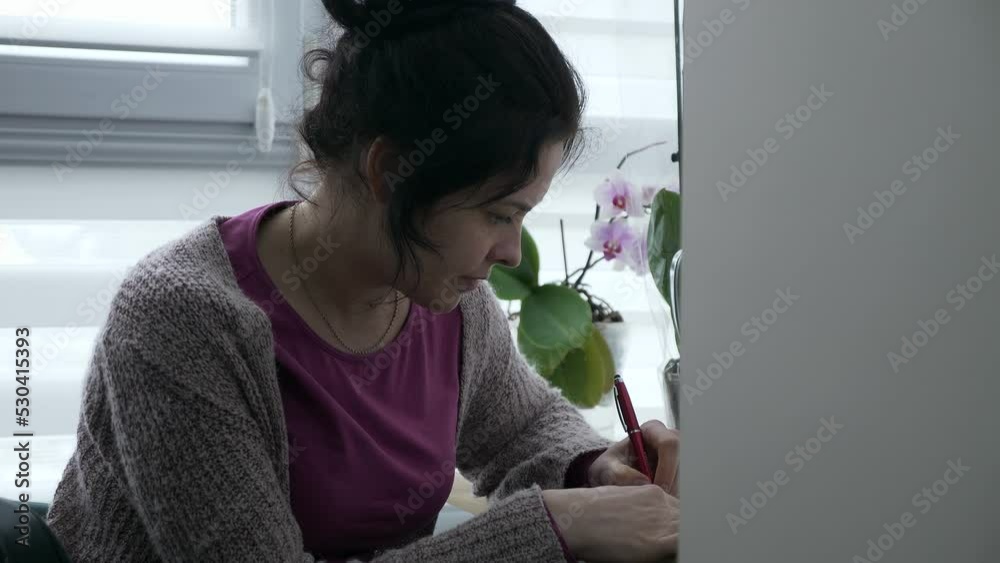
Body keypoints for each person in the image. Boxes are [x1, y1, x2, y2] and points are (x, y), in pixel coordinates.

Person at [46, 0, 679, 561]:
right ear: (390, 170)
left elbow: (523, 429)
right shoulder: (182, 320)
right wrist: (550, 530)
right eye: (497, 213)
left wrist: (597, 469)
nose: (512, 252)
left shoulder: (444, 301)